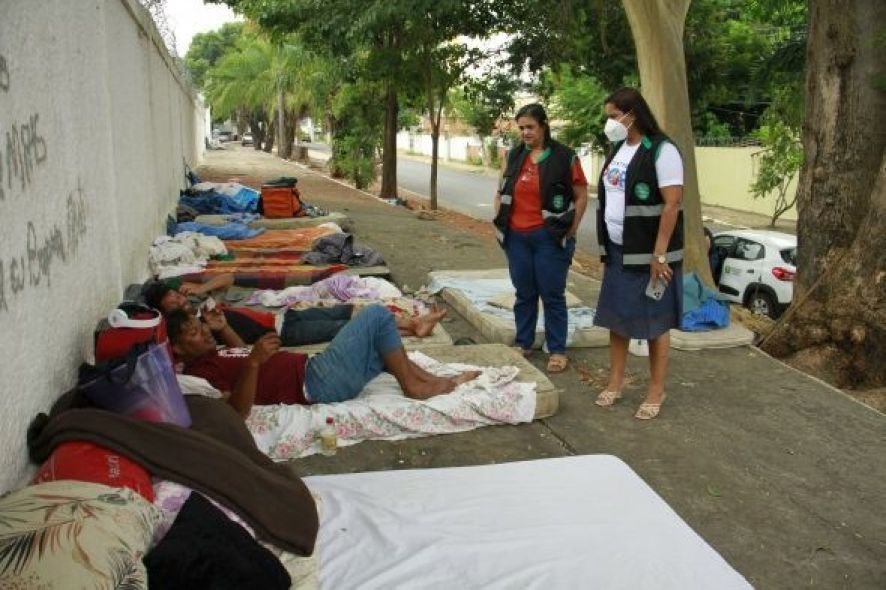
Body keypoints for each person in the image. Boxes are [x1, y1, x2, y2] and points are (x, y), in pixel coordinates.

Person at [167, 305, 480, 417]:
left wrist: (224, 329)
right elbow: (236, 411)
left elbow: (242, 352)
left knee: (383, 347)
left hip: (315, 372)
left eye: (201, 327)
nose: (204, 333)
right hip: (316, 382)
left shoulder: (213, 353)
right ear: (178, 350)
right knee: (376, 316)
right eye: (194, 333)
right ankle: (415, 385)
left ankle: (429, 381)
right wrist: (253, 363)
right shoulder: (200, 374)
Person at [592, 87, 685, 420]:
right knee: (617, 319)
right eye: (609, 117)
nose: (611, 123)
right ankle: (615, 382)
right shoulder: (618, 148)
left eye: (615, 116)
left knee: (655, 322)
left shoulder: (662, 150)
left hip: (650, 256)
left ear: (632, 115)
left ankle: (656, 389)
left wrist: (659, 253)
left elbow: (672, 203)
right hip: (619, 251)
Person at [492, 103, 589, 373]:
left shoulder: (565, 157)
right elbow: (500, 191)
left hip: (550, 237)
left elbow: (581, 195)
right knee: (524, 293)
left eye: (530, 127)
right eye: (521, 127)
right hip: (516, 237)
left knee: (552, 294)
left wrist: (573, 227)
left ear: (543, 126)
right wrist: (498, 221)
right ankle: (524, 342)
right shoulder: (513, 156)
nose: (525, 132)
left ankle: (557, 349)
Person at [144, 279, 446, 348]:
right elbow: (239, 351)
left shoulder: (199, 308)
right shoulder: (199, 331)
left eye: (175, 294)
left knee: (350, 309)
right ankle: (412, 327)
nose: (176, 299)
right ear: (164, 312)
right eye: (170, 301)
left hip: (285, 317)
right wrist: (218, 327)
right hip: (284, 333)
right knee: (349, 326)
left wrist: (196, 292)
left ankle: (412, 324)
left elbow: (228, 277)